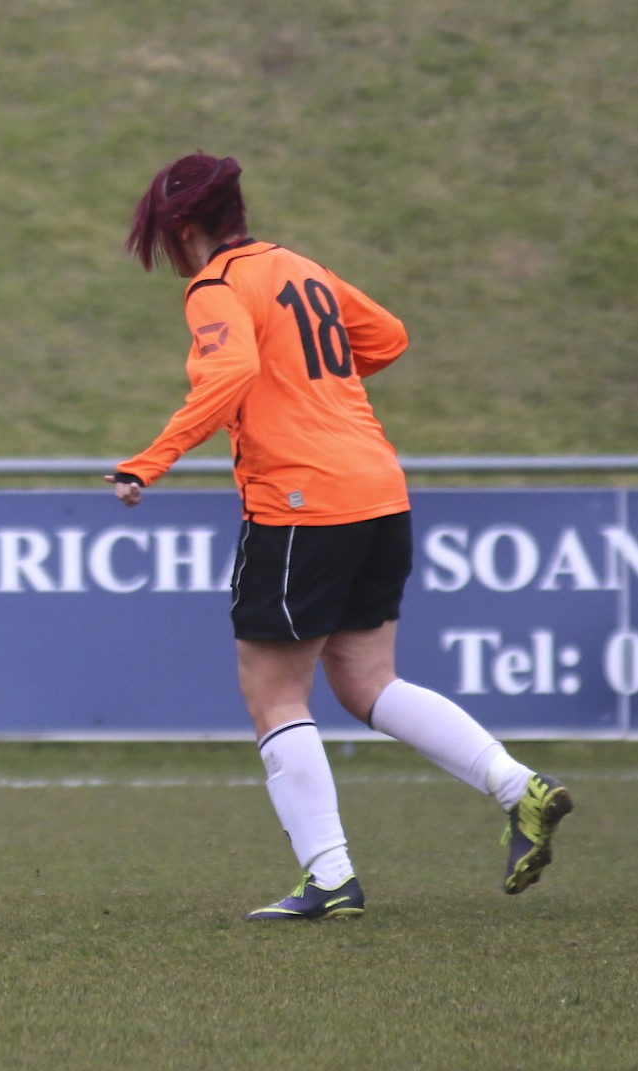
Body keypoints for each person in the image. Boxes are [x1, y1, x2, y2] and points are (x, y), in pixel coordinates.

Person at [105, 153, 573, 921]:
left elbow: (224, 378)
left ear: (185, 229)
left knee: (272, 691)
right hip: (377, 489)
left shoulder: (217, 288)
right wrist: (306, 381)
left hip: (301, 501)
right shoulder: (299, 269)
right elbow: (386, 337)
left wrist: (146, 463)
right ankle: (517, 788)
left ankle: (328, 879)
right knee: (364, 680)